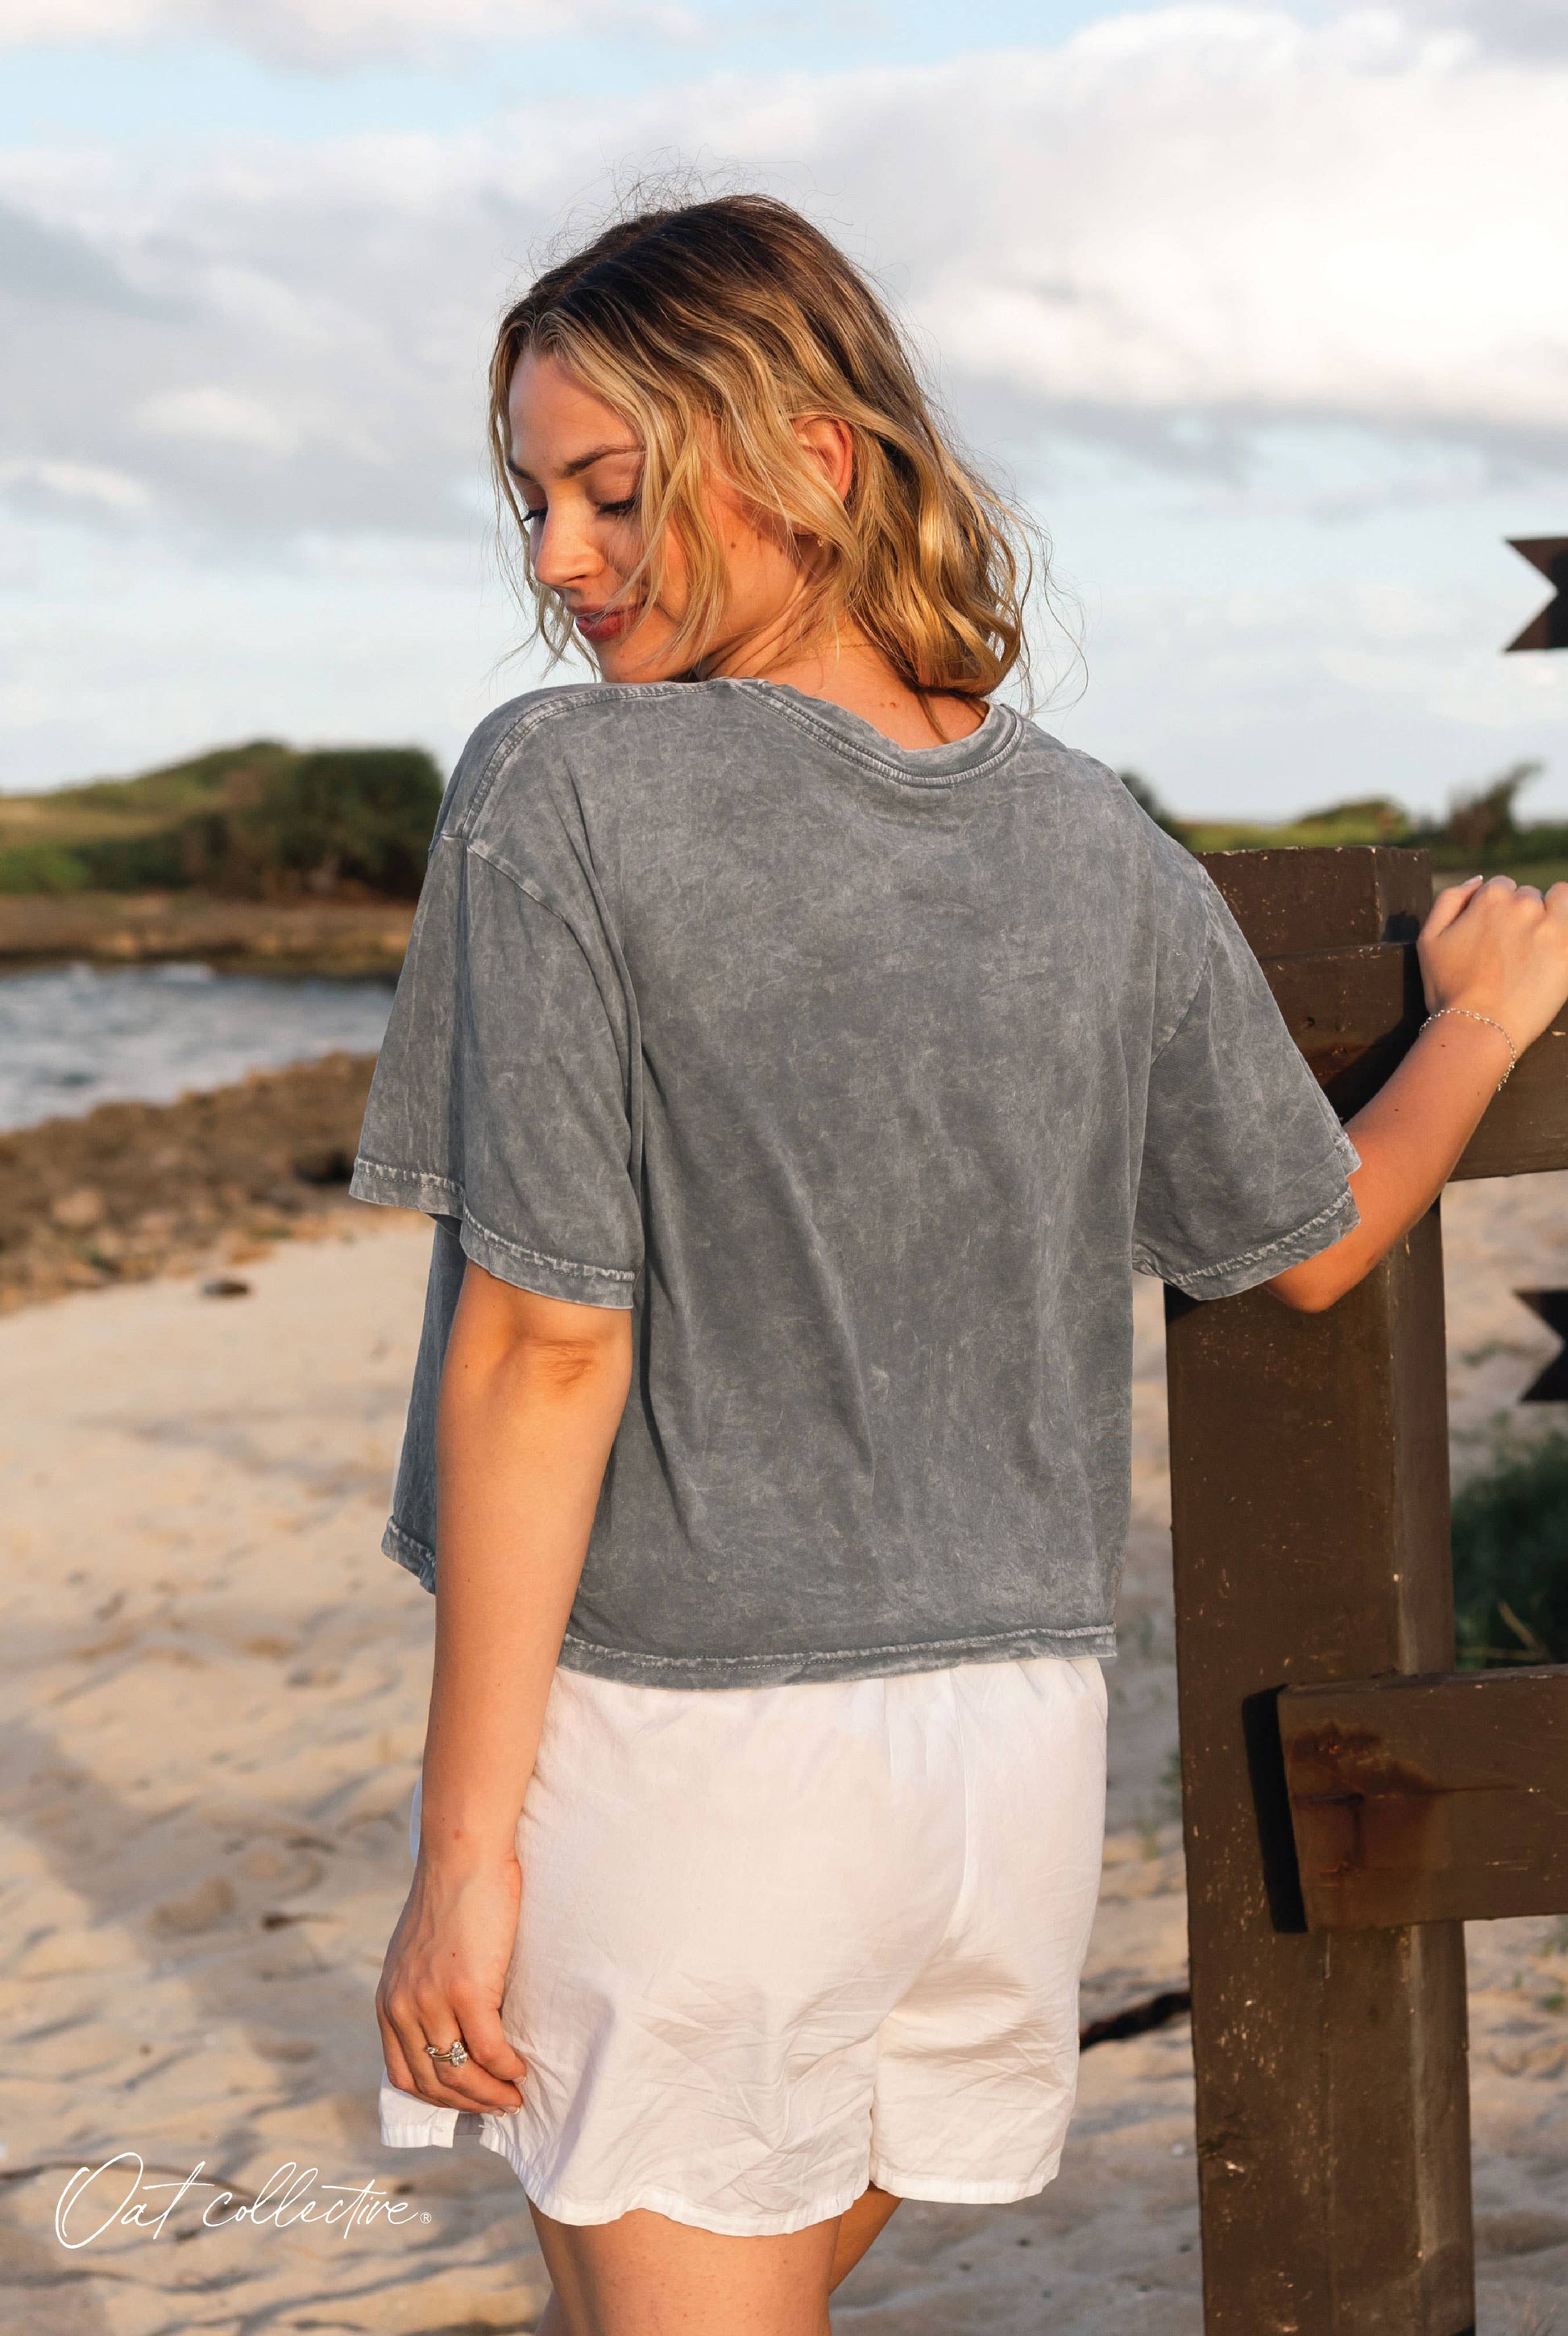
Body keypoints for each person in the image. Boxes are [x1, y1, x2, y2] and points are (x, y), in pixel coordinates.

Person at [348, 195, 1568, 2336]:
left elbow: (546, 1344)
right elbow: (1302, 1244)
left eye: (611, 490)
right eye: (531, 502)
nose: (556, 558)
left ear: (816, 458)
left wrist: (460, 1856)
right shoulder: (1091, 833)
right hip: (1003, 1763)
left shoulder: (563, 785)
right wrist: (1473, 1024)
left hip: (694, 1746)